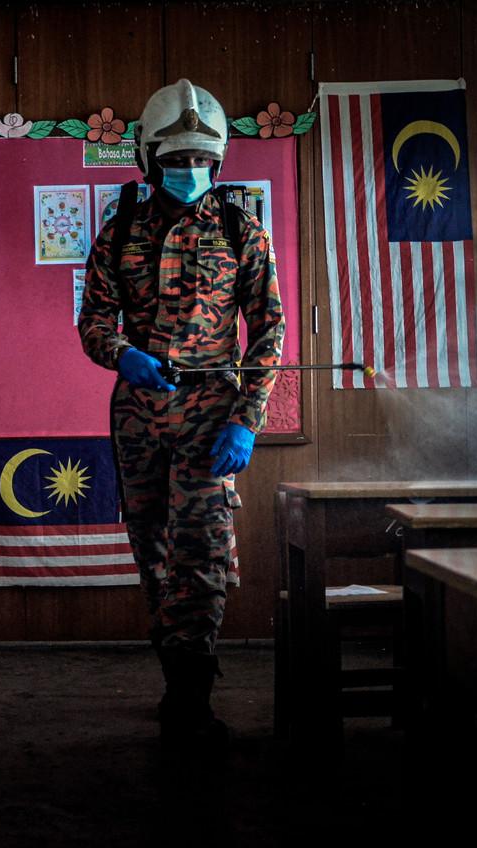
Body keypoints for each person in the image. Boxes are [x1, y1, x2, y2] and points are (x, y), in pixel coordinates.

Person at [77, 79, 285, 748]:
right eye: (176, 160)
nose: (189, 170)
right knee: (155, 554)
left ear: (216, 163)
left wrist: (247, 419)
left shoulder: (241, 230)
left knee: (201, 555)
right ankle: (176, 683)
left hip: (211, 417)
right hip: (138, 418)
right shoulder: (119, 232)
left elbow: (270, 330)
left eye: (201, 160)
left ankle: (193, 699)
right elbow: (92, 321)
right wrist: (123, 355)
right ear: (150, 160)